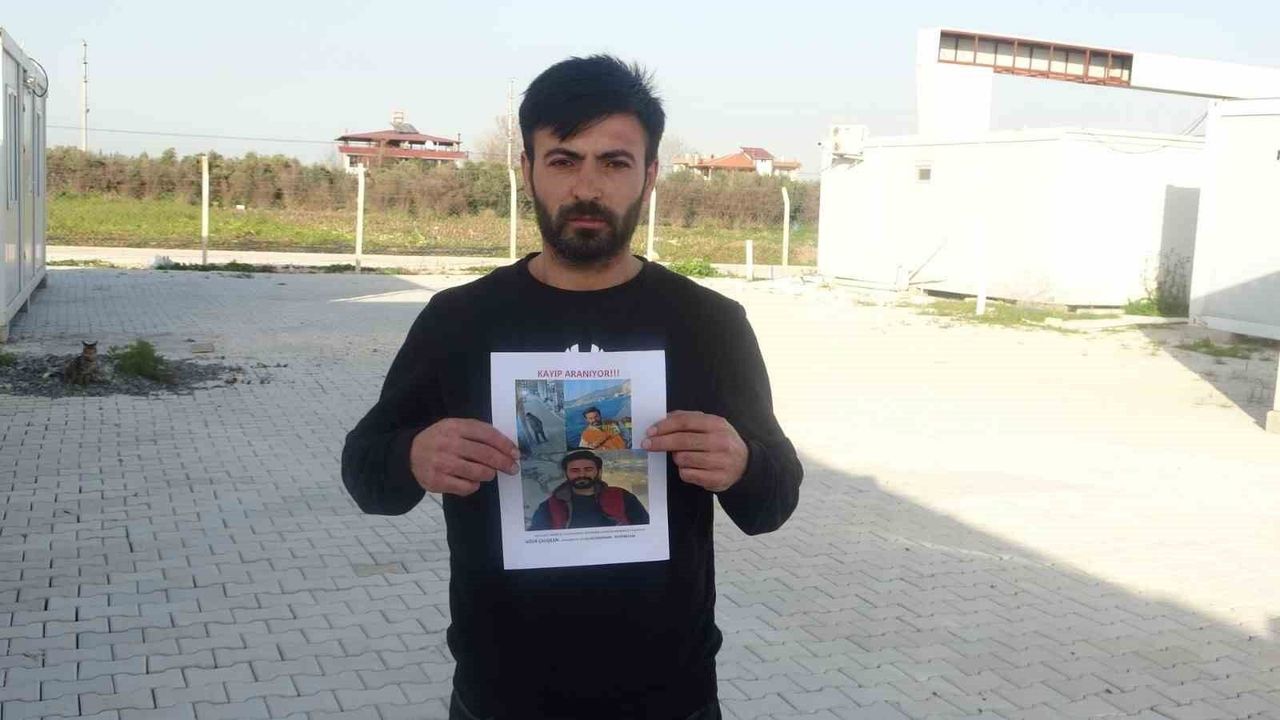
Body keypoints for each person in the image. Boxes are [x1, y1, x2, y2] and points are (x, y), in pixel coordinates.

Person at [341, 54, 802, 720]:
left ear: (649, 175)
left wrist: (744, 463)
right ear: (527, 169)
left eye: (614, 162)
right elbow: (365, 474)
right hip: (501, 698)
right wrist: (410, 456)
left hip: (668, 699)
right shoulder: (459, 320)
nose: (587, 187)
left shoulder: (708, 323)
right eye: (563, 160)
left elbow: (773, 503)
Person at [528, 449, 649, 530]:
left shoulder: (622, 496)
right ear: (566, 473)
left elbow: (645, 530)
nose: (582, 475)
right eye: (575, 471)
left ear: (599, 471)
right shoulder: (549, 506)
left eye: (588, 469)